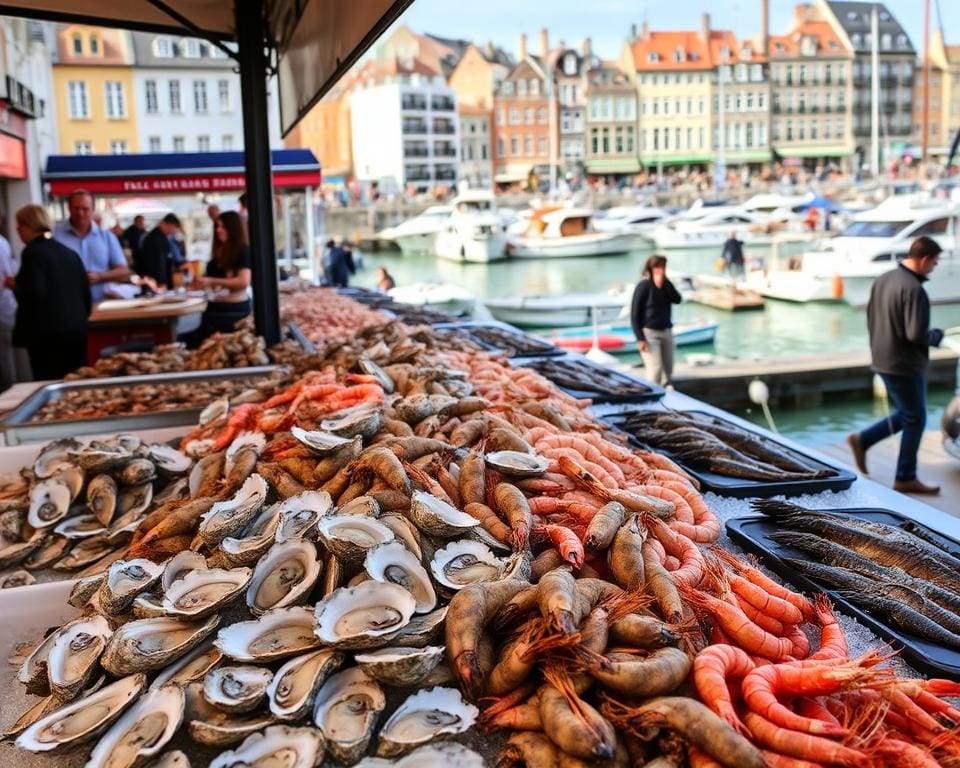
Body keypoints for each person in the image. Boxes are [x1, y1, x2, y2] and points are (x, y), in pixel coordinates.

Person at [847, 236, 945, 495]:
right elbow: (916, 334)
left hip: (882, 358)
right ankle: (905, 476)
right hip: (905, 364)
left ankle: (862, 440)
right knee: (916, 418)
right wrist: (936, 335)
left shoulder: (884, 278)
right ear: (924, 259)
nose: (933, 269)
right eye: (934, 263)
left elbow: (871, 318)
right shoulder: (914, 289)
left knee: (908, 414)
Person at [12, 204, 91, 380]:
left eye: (19, 226)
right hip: (76, 330)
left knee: (50, 384)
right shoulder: (68, 252)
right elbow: (85, 293)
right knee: (77, 382)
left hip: (47, 336)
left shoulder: (33, 253)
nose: (17, 231)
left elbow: (34, 294)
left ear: (29, 225)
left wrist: (15, 285)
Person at [54, 189, 130, 302]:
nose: (80, 213)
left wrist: (100, 277)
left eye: (85, 209)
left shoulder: (107, 237)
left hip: (100, 304)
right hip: (65, 304)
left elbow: (123, 271)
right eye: (76, 208)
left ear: (93, 210)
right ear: (69, 208)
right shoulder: (55, 236)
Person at [192, 210, 251, 340]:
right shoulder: (219, 252)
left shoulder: (243, 250)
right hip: (215, 308)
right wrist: (201, 283)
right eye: (217, 226)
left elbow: (243, 282)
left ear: (233, 228)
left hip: (233, 311)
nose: (218, 230)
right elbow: (215, 285)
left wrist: (211, 281)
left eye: (222, 226)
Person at [630, 254, 682, 387]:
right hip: (649, 333)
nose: (660, 270)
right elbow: (635, 314)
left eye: (662, 267)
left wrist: (665, 283)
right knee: (655, 370)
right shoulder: (643, 286)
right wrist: (640, 338)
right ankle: (652, 398)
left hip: (666, 330)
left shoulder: (666, 285)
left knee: (668, 370)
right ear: (651, 268)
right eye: (657, 267)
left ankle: (666, 398)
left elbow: (677, 299)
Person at [134, 213, 183, 290]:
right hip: (154, 284)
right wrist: (161, 283)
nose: (173, 231)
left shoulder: (162, 237)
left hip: (159, 283)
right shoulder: (155, 239)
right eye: (172, 227)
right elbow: (158, 264)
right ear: (163, 224)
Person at [0, 222, 18, 391]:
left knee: (5, 359)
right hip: (6, 307)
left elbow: (8, 279)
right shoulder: (3, 242)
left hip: (3, 309)